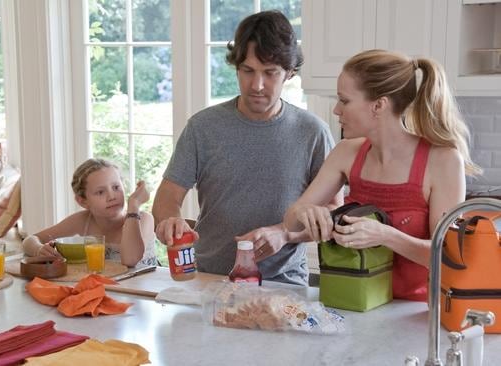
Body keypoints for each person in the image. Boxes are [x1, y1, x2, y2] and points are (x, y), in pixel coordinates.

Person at [152, 10, 339, 285]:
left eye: (270, 73)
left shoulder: (313, 133)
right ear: (236, 67)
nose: (257, 85)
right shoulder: (203, 127)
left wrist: (285, 233)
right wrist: (169, 220)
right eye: (248, 71)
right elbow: (168, 195)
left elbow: (332, 215)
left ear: (289, 73)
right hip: (209, 279)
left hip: (283, 283)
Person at [284, 49, 481, 301]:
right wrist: (304, 212)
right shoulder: (346, 153)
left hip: (416, 314)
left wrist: (384, 235)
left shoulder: (442, 160)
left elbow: (449, 256)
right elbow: (291, 221)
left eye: (344, 100)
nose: (336, 110)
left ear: (379, 105)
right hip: (352, 305)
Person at [22, 158, 156, 267]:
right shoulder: (83, 221)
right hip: (107, 291)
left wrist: (134, 204)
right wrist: (39, 249)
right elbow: (30, 240)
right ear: (83, 201)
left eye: (116, 187)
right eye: (100, 192)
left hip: (143, 295)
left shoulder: (143, 219)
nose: (111, 196)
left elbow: (130, 260)